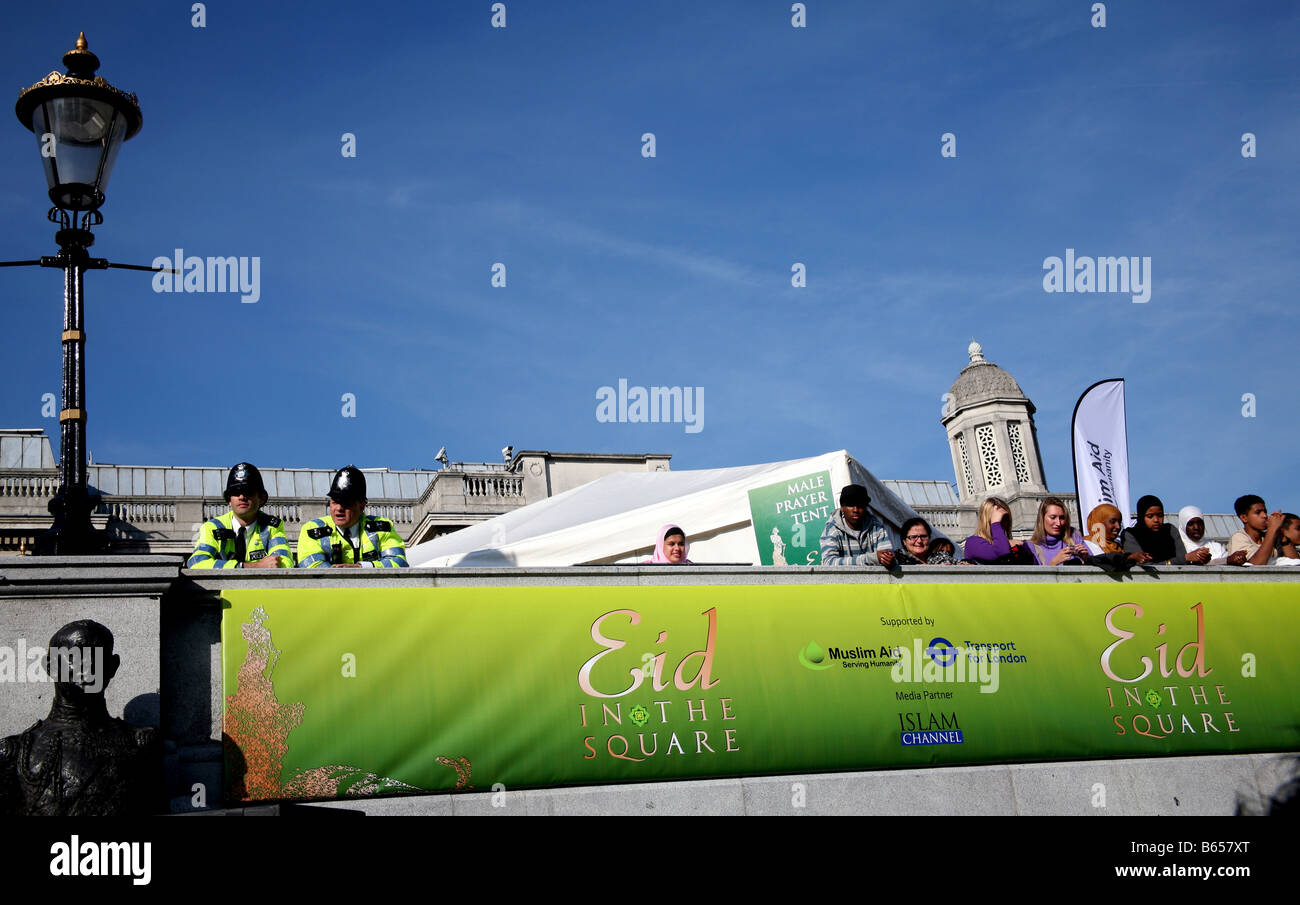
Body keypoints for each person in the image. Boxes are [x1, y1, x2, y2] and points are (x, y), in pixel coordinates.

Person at [297, 465, 408, 568]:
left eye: (346, 503)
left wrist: (361, 567)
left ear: (361, 506)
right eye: (335, 502)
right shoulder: (312, 529)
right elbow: (311, 566)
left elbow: (398, 562)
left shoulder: (383, 528)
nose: (339, 508)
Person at [187, 462, 292, 569]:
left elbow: (285, 563)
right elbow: (196, 563)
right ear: (229, 500)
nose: (242, 496)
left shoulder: (272, 527)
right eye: (236, 492)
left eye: (248, 491)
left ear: (261, 498)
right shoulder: (212, 528)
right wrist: (249, 566)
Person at [819, 484, 894, 566]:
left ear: (866, 507)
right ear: (842, 507)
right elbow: (829, 562)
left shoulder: (877, 527)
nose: (856, 510)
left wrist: (888, 559)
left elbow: (888, 556)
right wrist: (870, 559)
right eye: (851, 504)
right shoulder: (832, 529)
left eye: (860, 505)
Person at [1121, 495, 1197, 564]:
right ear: (1141, 517)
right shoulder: (1130, 534)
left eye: (1160, 515)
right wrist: (1179, 560)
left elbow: (1184, 560)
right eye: (1150, 516)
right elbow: (1146, 567)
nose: (1156, 520)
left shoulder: (1170, 530)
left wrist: (1198, 558)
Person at [962, 496, 1032, 564]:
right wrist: (995, 524)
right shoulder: (973, 543)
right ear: (987, 519)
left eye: (1006, 518)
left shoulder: (1007, 545)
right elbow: (1001, 552)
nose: (1005, 522)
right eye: (1000, 518)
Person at [1083, 503, 1152, 567]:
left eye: (1119, 522)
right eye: (1113, 522)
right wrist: (1129, 557)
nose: (1118, 526)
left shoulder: (1119, 546)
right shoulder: (1086, 545)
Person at [1027, 497, 1089, 565]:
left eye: (1062, 518)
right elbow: (1033, 575)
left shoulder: (1074, 537)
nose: (1058, 523)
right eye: (1053, 517)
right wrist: (1054, 563)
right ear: (1042, 518)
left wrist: (1086, 559)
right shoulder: (1031, 547)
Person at [1177, 505, 1246, 566]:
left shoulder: (1216, 548)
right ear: (1183, 526)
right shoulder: (1176, 548)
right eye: (1191, 524)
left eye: (1200, 523)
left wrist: (1237, 559)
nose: (1196, 527)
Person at [1228, 494, 1284, 566]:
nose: (1264, 516)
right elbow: (1257, 564)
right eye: (1258, 512)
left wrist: (1282, 535)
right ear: (1244, 518)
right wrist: (1272, 529)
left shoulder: (1270, 537)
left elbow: (1295, 561)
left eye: (1265, 512)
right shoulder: (1239, 537)